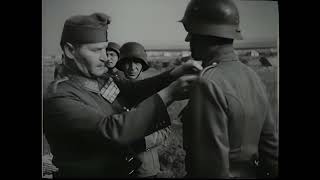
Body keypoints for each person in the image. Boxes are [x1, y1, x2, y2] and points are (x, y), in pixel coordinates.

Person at [43, 12, 203, 178]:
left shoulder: (100, 79)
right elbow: (110, 131)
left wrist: (173, 74)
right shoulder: (58, 97)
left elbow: (133, 90)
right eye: (97, 50)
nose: (105, 58)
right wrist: (169, 94)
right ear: (70, 51)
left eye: (105, 49)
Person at [178, 0, 278, 178]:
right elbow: (271, 150)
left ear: (206, 33)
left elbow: (210, 169)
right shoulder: (252, 76)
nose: (188, 39)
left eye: (192, 32)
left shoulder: (207, 83)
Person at [116, 42, 171, 178]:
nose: (132, 68)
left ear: (143, 66)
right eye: (128, 62)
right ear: (122, 65)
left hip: (146, 168)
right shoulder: (113, 92)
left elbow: (165, 129)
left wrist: (143, 142)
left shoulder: (150, 92)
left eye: (137, 63)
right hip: (117, 166)